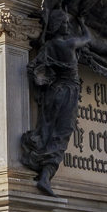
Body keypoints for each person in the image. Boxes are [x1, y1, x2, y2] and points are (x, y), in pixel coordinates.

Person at [20, 10, 91, 195]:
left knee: (47, 129)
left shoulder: (49, 46)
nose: (68, 26)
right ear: (58, 26)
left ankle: (41, 165)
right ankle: (45, 176)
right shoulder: (69, 44)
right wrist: (81, 22)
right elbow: (87, 37)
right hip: (68, 93)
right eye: (65, 23)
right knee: (62, 133)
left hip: (53, 93)